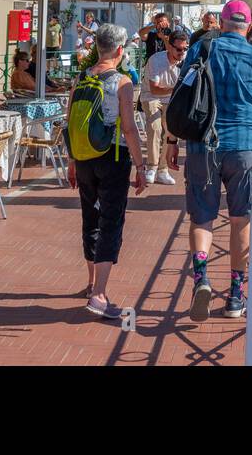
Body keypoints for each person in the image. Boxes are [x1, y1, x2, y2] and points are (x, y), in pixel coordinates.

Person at [182, 0, 252, 321]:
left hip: (202, 146)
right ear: (249, 26)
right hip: (243, 148)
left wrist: (171, 140)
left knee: (202, 218)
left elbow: (181, 96)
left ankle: (201, 279)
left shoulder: (200, 51)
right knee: (240, 219)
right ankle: (236, 297)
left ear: (221, 23)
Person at [65, 24, 147, 319]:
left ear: (97, 47)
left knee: (91, 217)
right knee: (111, 221)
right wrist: (141, 165)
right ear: (120, 51)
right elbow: (129, 127)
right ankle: (99, 295)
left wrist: (72, 160)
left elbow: (69, 122)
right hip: (112, 157)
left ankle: (90, 283)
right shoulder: (122, 82)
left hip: (84, 156)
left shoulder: (80, 78)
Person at [140, 27, 188, 185]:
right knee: (155, 127)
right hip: (151, 97)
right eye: (179, 49)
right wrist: (178, 88)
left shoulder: (186, 61)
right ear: (170, 46)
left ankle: (163, 169)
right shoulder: (156, 60)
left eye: (185, 48)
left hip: (171, 99)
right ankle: (152, 167)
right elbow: (154, 88)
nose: (182, 52)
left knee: (171, 131)